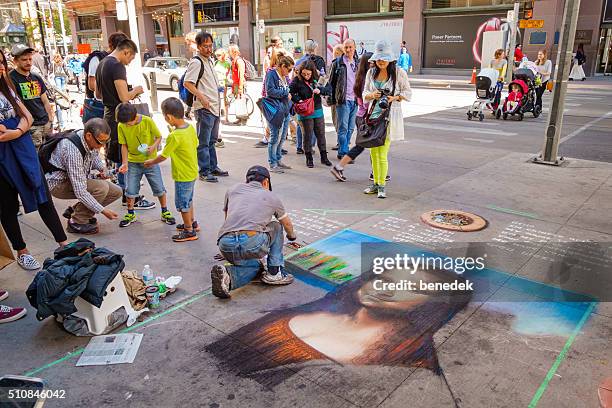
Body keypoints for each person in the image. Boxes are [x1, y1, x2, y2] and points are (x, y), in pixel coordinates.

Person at [0, 48, 67, 272]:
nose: (0, 67)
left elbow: (26, 115)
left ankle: (63, 243)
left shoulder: (7, 87)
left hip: (22, 147)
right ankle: (22, 251)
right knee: (7, 205)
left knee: (42, 195)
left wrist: (16, 132)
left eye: (1, 62)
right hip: (3, 156)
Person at [210, 165, 296, 299]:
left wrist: (227, 249)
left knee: (256, 267)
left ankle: (228, 278)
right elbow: (287, 224)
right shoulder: (271, 196)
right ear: (266, 182)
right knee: (276, 226)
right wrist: (291, 236)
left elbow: (228, 218)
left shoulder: (232, 190)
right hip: (251, 242)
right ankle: (275, 272)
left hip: (225, 243)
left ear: (247, 181)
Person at [95, 38, 152, 209]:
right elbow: (124, 97)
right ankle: (129, 196)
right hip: (119, 115)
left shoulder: (102, 63)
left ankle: (124, 193)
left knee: (118, 154)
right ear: (126, 51)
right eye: (131, 58)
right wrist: (136, 90)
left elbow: (97, 94)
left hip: (108, 114)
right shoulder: (117, 65)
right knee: (124, 155)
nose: (129, 62)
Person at [46, 118, 121, 234]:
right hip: (58, 184)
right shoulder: (72, 151)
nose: (102, 146)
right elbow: (80, 191)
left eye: (106, 141)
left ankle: (76, 210)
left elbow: (95, 158)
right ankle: (76, 222)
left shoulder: (89, 139)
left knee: (116, 191)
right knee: (101, 188)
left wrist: (105, 170)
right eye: (100, 142)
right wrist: (103, 211)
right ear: (89, 136)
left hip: (74, 179)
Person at [144, 98, 199, 242]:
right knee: (189, 199)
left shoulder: (174, 136)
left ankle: (189, 230)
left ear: (169, 117)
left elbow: (163, 156)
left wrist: (151, 162)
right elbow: (196, 144)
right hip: (192, 171)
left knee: (182, 203)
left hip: (182, 175)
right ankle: (192, 222)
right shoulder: (190, 128)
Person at [362, 40, 412, 199]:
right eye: (379, 58)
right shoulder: (371, 73)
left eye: (384, 58)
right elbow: (364, 94)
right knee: (373, 154)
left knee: (382, 154)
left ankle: (382, 185)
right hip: (373, 118)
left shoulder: (399, 73)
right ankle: (375, 184)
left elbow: (408, 93)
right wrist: (372, 95)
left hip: (389, 118)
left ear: (390, 59)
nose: (381, 61)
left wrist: (394, 97)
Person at [116, 103, 175, 228]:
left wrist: (153, 147)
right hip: (132, 162)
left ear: (135, 116)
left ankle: (165, 211)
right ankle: (130, 213)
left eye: (128, 123)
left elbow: (159, 137)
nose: (126, 125)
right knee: (130, 190)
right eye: (124, 123)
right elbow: (124, 145)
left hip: (150, 161)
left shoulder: (147, 121)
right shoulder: (121, 125)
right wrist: (125, 163)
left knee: (159, 188)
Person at [183, 31, 229, 183]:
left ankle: (212, 166)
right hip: (204, 108)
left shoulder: (209, 60)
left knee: (211, 141)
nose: (209, 49)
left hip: (214, 107)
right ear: (198, 46)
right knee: (203, 142)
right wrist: (202, 97)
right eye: (205, 46)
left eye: (210, 46)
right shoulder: (196, 62)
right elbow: (187, 83)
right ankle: (204, 171)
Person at [330, 52, 373, 182]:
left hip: (363, 116)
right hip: (366, 117)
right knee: (362, 144)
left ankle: (376, 171)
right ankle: (339, 166)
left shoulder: (361, 77)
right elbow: (365, 102)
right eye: (372, 62)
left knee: (372, 145)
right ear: (368, 64)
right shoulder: (365, 80)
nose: (374, 64)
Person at [9, 44, 54, 149]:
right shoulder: (11, 79)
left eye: (30, 59)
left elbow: (45, 100)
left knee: (48, 155)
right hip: (30, 126)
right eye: (24, 60)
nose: (28, 62)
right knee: (35, 158)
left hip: (45, 123)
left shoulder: (36, 76)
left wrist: (50, 120)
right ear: (15, 61)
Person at [290, 60, 332, 168]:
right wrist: (298, 100)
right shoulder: (297, 80)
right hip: (305, 112)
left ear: (312, 72)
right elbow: (290, 92)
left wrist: (320, 90)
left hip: (317, 110)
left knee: (321, 135)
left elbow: (329, 89)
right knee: (307, 136)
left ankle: (324, 157)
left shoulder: (317, 78)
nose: (306, 76)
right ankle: (309, 158)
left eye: (308, 74)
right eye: (304, 74)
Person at [82, 32, 128, 123]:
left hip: (114, 106)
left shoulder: (117, 61)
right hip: (99, 107)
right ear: (111, 47)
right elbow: (92, 86)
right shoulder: (97, 59)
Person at [294, 39, 326, 154]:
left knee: (301, 122)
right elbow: (323, 76)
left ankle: (300, 146)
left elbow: (294, 78)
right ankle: (310, 146)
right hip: (313, 96)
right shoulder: (318, 60)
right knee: (313, 123)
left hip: (301, 97)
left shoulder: (299, 61)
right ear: (315, 48)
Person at [328, 38, 359, 160]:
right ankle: (344, 152)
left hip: (355, 101)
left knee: (351, 128)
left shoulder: (358, 63)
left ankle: (344, 148)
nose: (348, 49)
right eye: (346, 47)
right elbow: (330, 83)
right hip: (343, 100)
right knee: (343, 127)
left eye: (350, 47)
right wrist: (332, 100)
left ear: (354, 48)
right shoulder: (337, 63)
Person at [265, 55, 294, 173]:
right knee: (274, 137)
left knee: (282, 137)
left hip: (284, 110)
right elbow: (270, 91)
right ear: (283, 66)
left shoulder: (284, 76)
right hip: (275, 110)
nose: (290, 72)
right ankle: (272, 163)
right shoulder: (272, 74)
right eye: (289, 69)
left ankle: (278, 160)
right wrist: (285, 92)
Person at [228, 45, 248, 125]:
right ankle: (239, 117)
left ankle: (243, 119)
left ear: (233, 51)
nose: (229, 53)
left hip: (239, 84)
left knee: (241, 100)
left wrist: (240, 87)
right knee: (237, 100)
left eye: (230, 51)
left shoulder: (239, 61)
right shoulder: (234, 60)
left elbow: (241, 74)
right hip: (235, 84)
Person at [329, 44, 344, 138]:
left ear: (337, 53)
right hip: (345, 96)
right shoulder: (348, 63)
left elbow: (330, 81)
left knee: (336, 119)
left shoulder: (335, 63)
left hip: (335, 96)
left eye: (334, 52)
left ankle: (340, 141)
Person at [51, 53, 69, 130]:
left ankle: (61, 100)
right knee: (62, 91)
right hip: (63, 76)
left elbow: (51, 70)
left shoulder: (53, 63)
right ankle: (63, 100)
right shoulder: (62, 62)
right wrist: (68, 75)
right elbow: (65, 69)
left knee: (58, 91)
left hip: (57, 77)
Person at [214, 48, 231, 124]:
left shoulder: (227, 63)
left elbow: (227, 74)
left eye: (219, 55)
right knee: (217, 101)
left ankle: (226, 118)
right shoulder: (216, 62)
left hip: (223, 83)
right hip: (215, 84)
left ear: (223, 55)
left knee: (225, 101)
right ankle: (218, 117)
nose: (217, 57)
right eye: (216, 55)